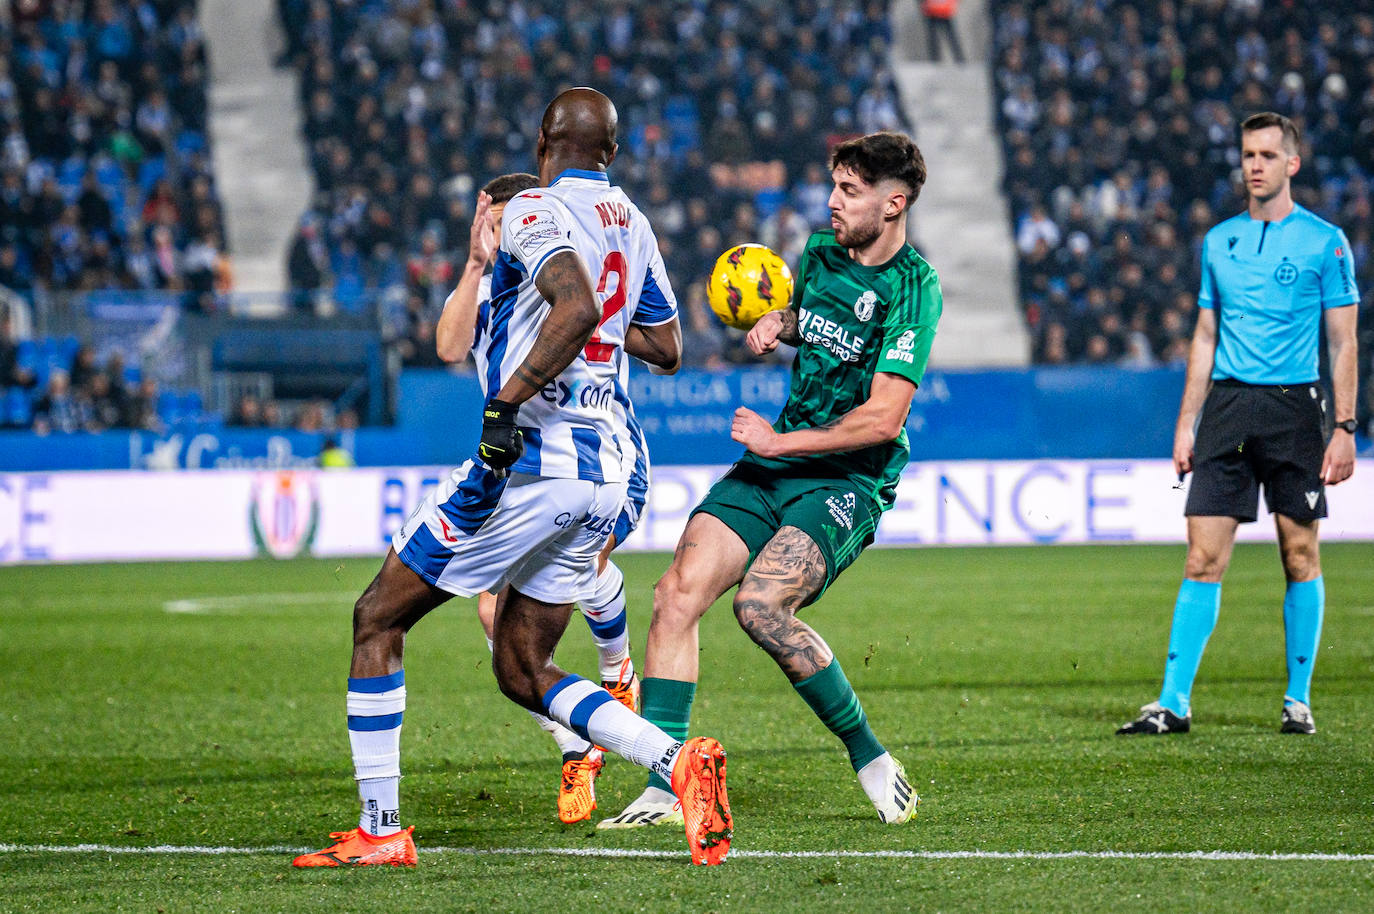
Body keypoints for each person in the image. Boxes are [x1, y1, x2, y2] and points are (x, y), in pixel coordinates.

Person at [293, 88, 732, 869]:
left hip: (533, 461)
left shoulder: (534, 210)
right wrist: (587, 315)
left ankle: (381, 828)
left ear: (542, 144)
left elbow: (574, 303)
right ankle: (675, 762)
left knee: (377, 617)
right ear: (614, 153)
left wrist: (507, 401)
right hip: (607, 470)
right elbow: (664, 345)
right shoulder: (633, 221)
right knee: (523, 668)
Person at [601, 132, 940, 829]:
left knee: (759, 607)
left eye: (849, 191)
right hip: (773, 466)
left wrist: (779, 440)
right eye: (834, 186)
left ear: (893, 202)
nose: (832, 202)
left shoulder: (914, 288)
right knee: (674, 594)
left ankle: (870, 755)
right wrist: (777, 324)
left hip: (847, 479)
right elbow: (811, 322)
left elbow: (882, 418)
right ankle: (669, 785)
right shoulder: (818, 253)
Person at [435, 172, 673, 825]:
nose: (514, 231)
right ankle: (576, 747)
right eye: (500, 222)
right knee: (495, 617)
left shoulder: (570, 287)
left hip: (603, 458)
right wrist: (475, 261)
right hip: (527, 469)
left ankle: (617, 672)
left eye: (519, 220)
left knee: (580, 566)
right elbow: (450, 346)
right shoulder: (492, 290)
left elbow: (649, 340)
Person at [1117, 112, 1360, 737]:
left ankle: (1297, 699)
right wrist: (1186, 424)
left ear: (1291, 164)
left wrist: (1346, 425)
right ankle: (1173, 703)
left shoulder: (1325, 241)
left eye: (1267, 155)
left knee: (1299, 554)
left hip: (1294, 409)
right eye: (1248, 154)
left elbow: (1343, 342)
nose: (1255, 165)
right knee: (1202, 557)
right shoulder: (1218, 240)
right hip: (1226, 409)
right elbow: (1204, 334)